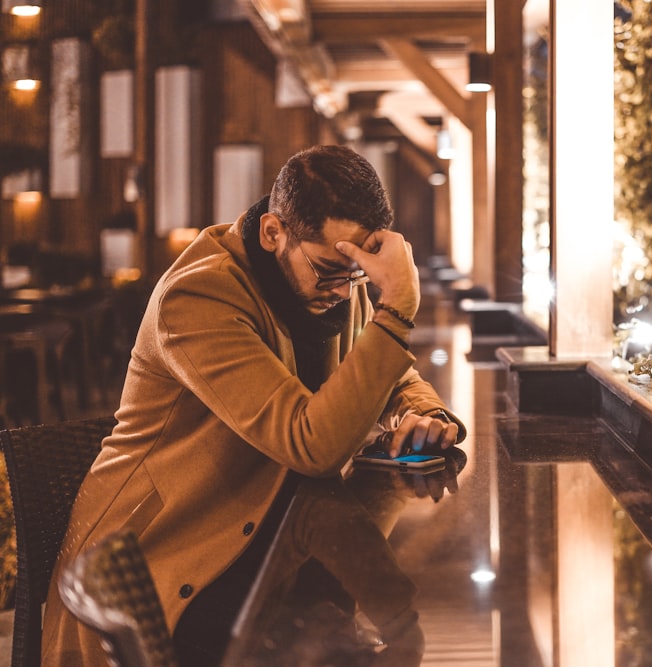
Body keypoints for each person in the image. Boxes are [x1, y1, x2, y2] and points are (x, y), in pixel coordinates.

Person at [42, 144, 466, 666]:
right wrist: (397, 308)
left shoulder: (337, 278)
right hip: (160, 560)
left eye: (360, 275)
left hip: (268, 531)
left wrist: (424, 415)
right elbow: (311, 447)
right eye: (332, 270)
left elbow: (391, 373)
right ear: (273, 232)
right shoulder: (198, 297)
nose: (345, 289)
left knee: (340, 630)